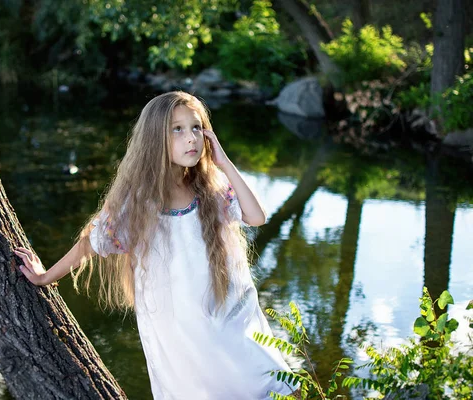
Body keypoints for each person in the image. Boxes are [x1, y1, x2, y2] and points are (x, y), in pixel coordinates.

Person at [15, 91, 300, 399]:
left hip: (226, 311)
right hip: (179, 325)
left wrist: (225, 162)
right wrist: (45, 277)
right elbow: (90, 244)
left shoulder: (210, 184)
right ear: (155, 138)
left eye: (195, 127)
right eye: (177, 129)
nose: (190, 138)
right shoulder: (136, 200)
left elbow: (256, 216)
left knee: (267, 381)